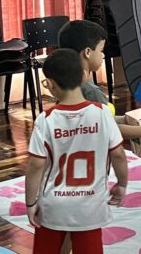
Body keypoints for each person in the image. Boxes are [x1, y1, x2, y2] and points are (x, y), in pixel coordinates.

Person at [25, 49, 128, 254]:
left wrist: (30, 202)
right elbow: (118, 154)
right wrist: (122, 184)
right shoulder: (102, 113)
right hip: (90, 207)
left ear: (51, 85)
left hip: (53, 207)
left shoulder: (46, 119)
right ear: (83, 75)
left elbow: (36, 165)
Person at [59, 20, 141, 141]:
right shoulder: (91, 92)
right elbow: (108, 128)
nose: (103, 55)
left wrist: (129, 119)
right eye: (101, 50)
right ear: (87, 52)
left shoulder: (65, 84)